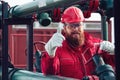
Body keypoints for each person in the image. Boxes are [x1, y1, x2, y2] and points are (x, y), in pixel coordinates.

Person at [41, 6, 115, 79]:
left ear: (82, 25)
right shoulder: (57, 49)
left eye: (78, 25)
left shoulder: (96, 45)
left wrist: (115, 52)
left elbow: (113, 63)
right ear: (64, 27)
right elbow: (49, 73)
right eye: (71, 26)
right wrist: (50, 56)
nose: (75, 29)